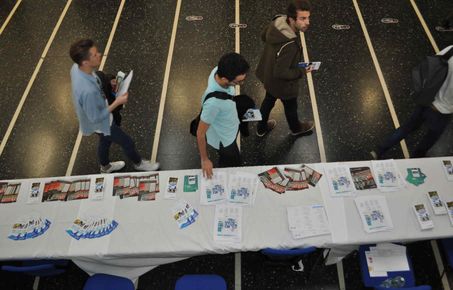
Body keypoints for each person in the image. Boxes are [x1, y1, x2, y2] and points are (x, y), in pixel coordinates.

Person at [69, 39, 159, 173]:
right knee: (127, 142)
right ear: (85, 62)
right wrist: (117, 102)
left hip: (97, 113)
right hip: (102, 122)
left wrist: (107, 82)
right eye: (94, 55)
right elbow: (96, 117)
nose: (99, 54)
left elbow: (96, 79)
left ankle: (105, 166)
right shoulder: (88, 91)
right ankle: (138, 163)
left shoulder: (77, 68)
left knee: (105, 141)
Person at [371, 45, 453, 159]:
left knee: (407, 127)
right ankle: (416, 158)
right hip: (442, 111)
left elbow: (432, 65)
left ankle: (379, 150)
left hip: (427, 100)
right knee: (431, 137)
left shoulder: (450, 49)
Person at [255, 0, 314, 137]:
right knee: (291, 106)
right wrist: (302, 71)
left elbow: (263, 36)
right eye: (303, 18)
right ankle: (296, 129)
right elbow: (281, 72)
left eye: (308, 17)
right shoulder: (289, 45)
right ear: (291, 19)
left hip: (268, 75)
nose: (307, 22)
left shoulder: (276, 22)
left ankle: (261, 128)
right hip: (283, 85)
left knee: (268, 101)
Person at [197, 53, 250, 178]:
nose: (241, 83)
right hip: (224, 139)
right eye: (238, 82)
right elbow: (200, 133)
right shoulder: (213, 104)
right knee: (232, 162)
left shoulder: (217, 71)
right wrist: (205, 160)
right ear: (225, 79)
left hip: (228, 123)